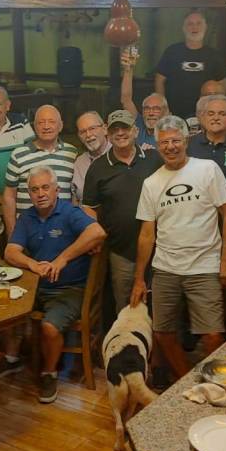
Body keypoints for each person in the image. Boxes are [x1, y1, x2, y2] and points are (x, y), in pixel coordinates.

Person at [0, 166, 106, 404]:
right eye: (34, 189)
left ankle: (49, 373)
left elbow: (97, 232)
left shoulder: (70, 212)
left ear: (56, 189)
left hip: (69, 290)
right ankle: (12, 358)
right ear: (29, 194)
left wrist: (62, 259)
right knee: (0, 307)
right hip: (35, 287)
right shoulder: (26, 217)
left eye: (45, 187)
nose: (40, 194)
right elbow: (10, 251)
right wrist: (32, 263)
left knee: (49, 327)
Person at [129, 116, 226, 379]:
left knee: (212, 335)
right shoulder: (151, 183)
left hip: (204, 266)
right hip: (166, 268)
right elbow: (146, 235)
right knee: (162, 333)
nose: (171, 147)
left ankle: (216, 384)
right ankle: (187, 381)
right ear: (157, 146)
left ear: (186, 140)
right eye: (164, 142)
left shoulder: (207, 169)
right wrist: (139, 279)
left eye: (175, 140)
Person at [82, 110, 163, 313]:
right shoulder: (98, 168)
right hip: (121, 252)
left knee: (161, 308)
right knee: (127, 309)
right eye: (114, 130)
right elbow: (90, 207)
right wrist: (96, 236)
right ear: (108, 134)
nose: (120, 133)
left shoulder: (154, 159)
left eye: (125, 128)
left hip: (160, 250)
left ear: (135, 131)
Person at [2, 105, 78, 238]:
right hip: (27, 232)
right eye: (41, 122)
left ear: (60, 126)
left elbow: (75, 195)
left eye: (51, 122)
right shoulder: (18, 155)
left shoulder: (72, 153)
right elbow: (9, 197)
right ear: (34, 127)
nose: (46, 126)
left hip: (63, 232)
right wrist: (13, 235)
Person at [154, 11, 226, 120]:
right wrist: (162, 107)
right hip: (174, 114)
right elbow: (159, 80)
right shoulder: (172, 51)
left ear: (205, 27)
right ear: (183, 28)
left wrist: (218, 108)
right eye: (190, 24)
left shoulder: (214, 55)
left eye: (198, 23)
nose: (194, 27)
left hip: (205, 115)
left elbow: (222, 84)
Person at [186, 95, 226, 188]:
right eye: (211, 114)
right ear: (203, 118)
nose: (216, 118)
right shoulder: (189, 145)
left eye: (222, 114)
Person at [120, 49, 169, 151]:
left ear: (166, 113)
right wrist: (128, 69)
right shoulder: (139, 124)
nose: (151, 113)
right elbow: (126, 99)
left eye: (156, 109)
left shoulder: (171, 134)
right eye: (147, 108)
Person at [71, 111, 110, 204]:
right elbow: (75, 200)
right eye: (83, 132)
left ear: (105, 129)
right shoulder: (79, 163)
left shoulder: (118, 153)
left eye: (92, 128)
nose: (88, 135)